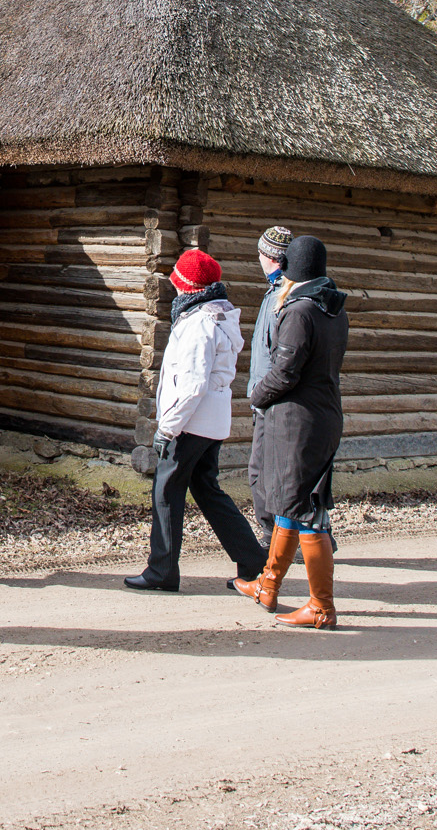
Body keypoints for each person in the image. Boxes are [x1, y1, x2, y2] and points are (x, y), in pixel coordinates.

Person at [124, 249, 268, 593]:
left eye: (177, 281)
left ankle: (161, 571)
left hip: (190, 423)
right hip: (210, 422)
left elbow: (191, 383)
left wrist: (167, 428)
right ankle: (252, 562)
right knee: (207, 490)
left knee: (166, 491)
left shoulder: (200, 322)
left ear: (187, 286)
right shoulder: (216, 314)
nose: (174, 287)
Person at [233, 235, 348, 629]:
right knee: (289, 502)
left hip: (299, 422)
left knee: (305, 511)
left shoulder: (300, 311)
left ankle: (321, 606)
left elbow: (285, 372)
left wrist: (257, 396)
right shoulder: (332, 309)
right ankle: (268, 584)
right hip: (320, 416)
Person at [246, 227, 294, 538]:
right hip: (267, 395)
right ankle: (299, 535)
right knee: (270, 471)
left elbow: (281, 357)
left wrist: (260, 394)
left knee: (263, 472)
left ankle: (277, 536)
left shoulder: (284, 296)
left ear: (269, 257)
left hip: (272, 398)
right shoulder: (274, 291)